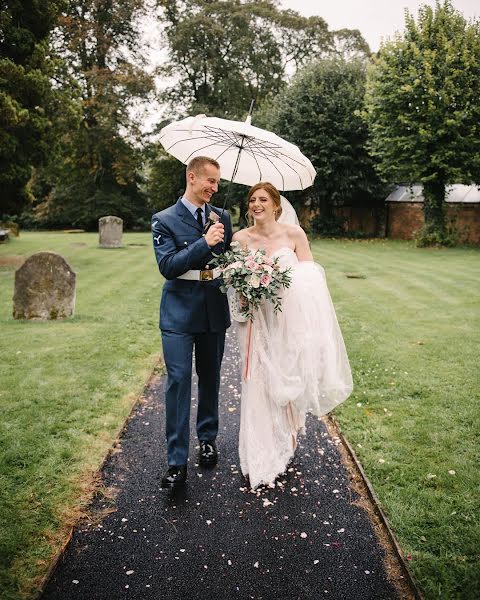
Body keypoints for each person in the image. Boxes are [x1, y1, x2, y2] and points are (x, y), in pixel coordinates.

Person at [232, 182, 353, 489]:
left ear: (276, 205)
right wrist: (246, 291)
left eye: (263, 199)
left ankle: (286, 436)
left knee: (287, 378)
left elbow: (312, 279)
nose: (257, 204)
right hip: (257, 323)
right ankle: (261, 451)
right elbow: (234, 283)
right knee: (259, 383)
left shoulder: (294, 235)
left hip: (289, 321)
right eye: (252, 200)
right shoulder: (241, 238)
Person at [151, 156, 233, 489]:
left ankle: (208, 440)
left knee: (211, 377)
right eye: (210, 181)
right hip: (178, 314)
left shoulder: (222, 217)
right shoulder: (163, 220)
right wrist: (205, 242)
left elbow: (228, 260)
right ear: (192, 177)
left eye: (217, 182)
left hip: (214, 309)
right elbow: (168, 266)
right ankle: (176, 461)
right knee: (179, 381)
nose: (215, 188)